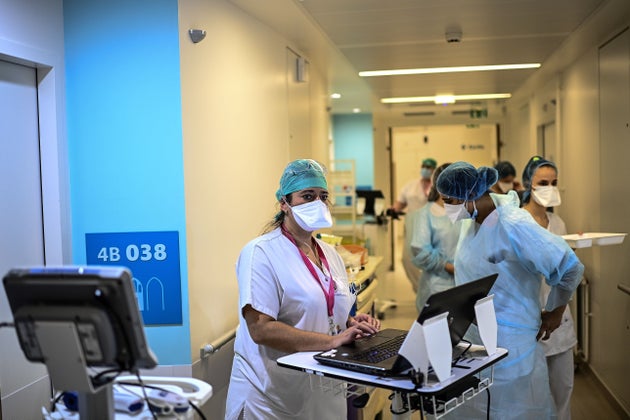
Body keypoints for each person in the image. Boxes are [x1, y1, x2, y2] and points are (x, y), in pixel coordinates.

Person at [225, 159, 381, 420]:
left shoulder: (330, 254)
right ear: (284, 203)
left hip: (325, 388)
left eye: (323, 197)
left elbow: (324, 310)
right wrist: (333, 341)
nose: (317, 204)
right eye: (307, 196)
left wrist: (351, 322)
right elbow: (261, 329)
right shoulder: (261, 253)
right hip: (272, 397)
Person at [435, 161, 584, 419]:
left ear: (471, 195)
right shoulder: (471, 223)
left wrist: (555, 313)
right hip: (475, 343)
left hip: (513, 348)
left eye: (450, 200)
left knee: (514, 412)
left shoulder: (514, 223)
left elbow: (569, 267)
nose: (447, 207)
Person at [522, 155, 576, 420]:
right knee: (534, 397)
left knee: (563, 391)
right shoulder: (519, 223)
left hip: (561, 321)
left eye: (554, 183)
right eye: (543, 182)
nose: (549, 188)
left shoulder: (559, 223)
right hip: (530, 323)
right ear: (527, 184)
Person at [409, 163, 460, 312]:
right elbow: (421, 251)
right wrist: (451, 268)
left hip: (464, 283)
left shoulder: (464, 212)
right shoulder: (426, 214)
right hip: (437, 287)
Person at [389, 157, 438, 292]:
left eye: (429, 168)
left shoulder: (437, 187)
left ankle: (432, 290)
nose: (425, 170)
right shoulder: (410, 186)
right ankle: (420, 288)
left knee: (429, 260)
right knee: (407, 260)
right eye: (424, 166)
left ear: (434, 170)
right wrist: (393, 209)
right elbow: (400, 203)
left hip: (431, 228)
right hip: (412, 227)